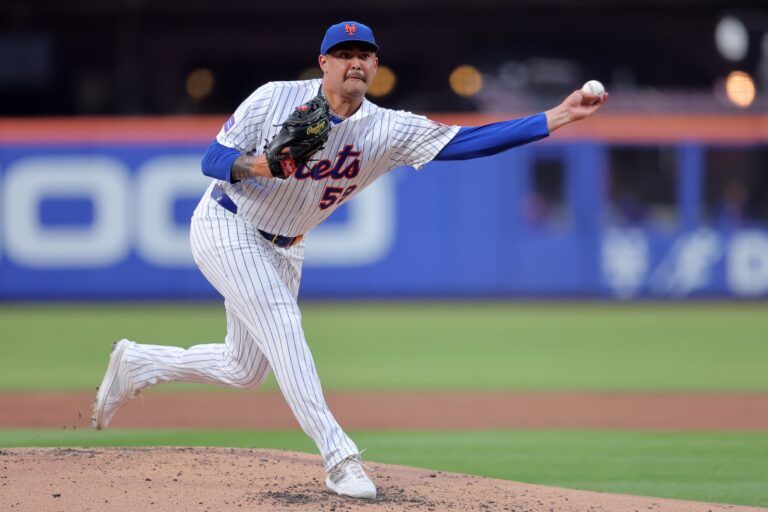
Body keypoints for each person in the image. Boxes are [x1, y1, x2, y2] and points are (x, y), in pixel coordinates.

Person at [92, 20, 607, 499]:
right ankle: (340, 459)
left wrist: (560, 115)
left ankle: (138, 362)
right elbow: (212, 160)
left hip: (288, 245)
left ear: (375, 68)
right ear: (323, 62)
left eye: (364, 54)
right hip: (228, 223)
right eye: (344, 54)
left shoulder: (388, 129)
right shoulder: (275, 99)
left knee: (244, 367)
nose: (355, 61)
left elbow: (468, 141)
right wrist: (260, 164)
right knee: (283, 325)